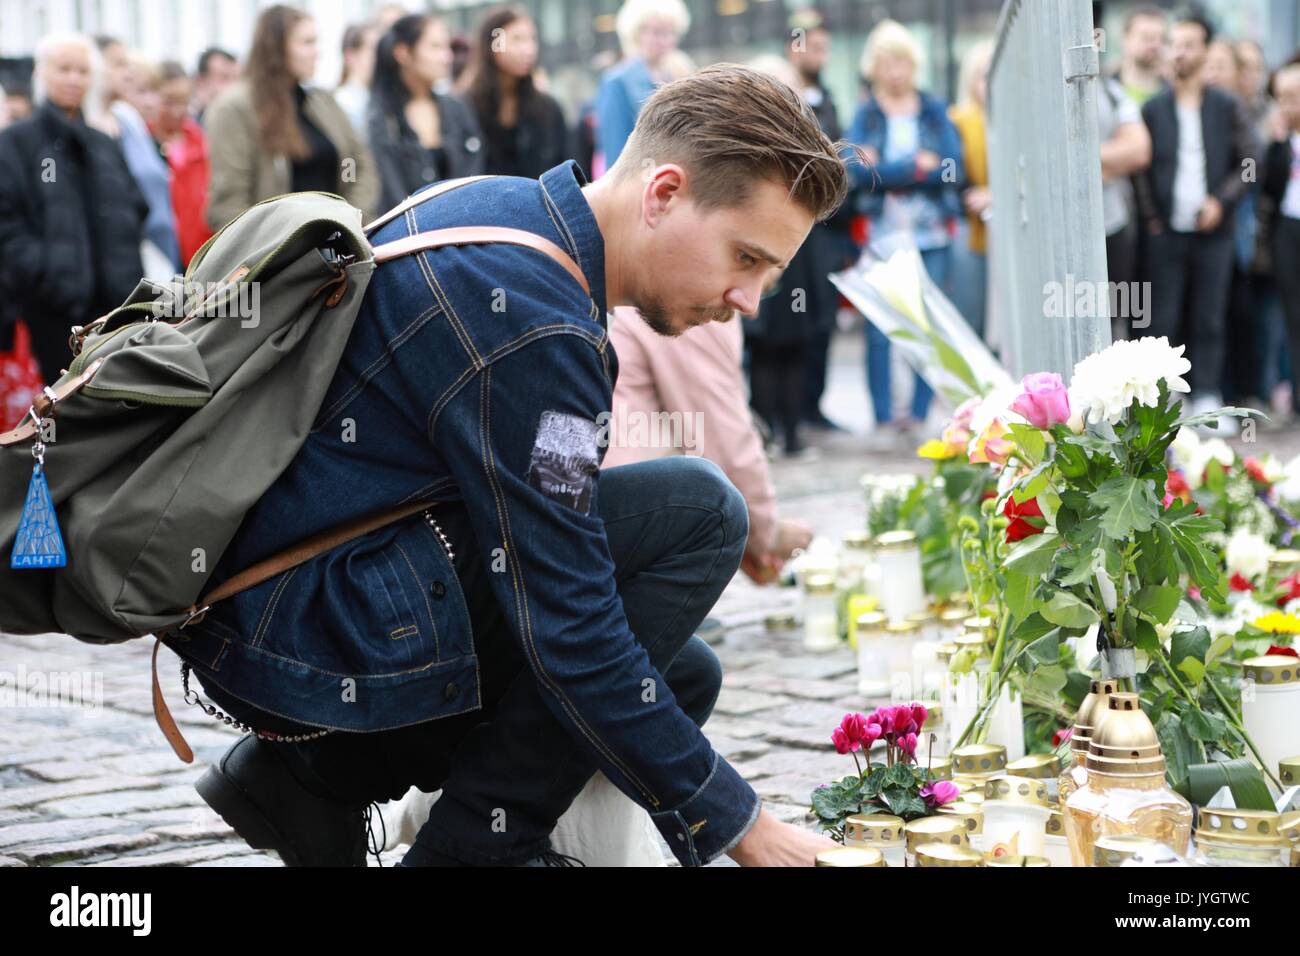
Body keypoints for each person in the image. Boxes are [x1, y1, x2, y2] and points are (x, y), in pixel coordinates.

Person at [178, 63, 848, 869]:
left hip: (295, 599)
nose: (749, 299)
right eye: (745, 258)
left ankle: (314, 776)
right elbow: (570, 622)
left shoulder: (508, 214)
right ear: (664, 193)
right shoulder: (536, 324)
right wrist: (741, 824)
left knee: (682, 672)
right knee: (702, 513)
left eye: (770, 275)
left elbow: (552, 545)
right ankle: (472, 853)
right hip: (310, 627)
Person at [604, 305, 814, 582]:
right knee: (707, 491)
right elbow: (723, 443)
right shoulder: (697, 306)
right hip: (612, 518)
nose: (750, 303)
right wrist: (765, 535)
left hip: (600, 502)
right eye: (749, 261)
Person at [0, 33, 145, 384]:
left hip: (114, 307)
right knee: (65, 407)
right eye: (64, 69)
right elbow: (8, 222)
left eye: (82, 71)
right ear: (42, 74)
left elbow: (135, 205)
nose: (73, 79)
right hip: (54, 310)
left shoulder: (102, 142)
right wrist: (47, 273)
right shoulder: (18, 142)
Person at [846, 19, 963, 441]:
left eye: (903, 62)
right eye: (887, 63)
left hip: (931, 235)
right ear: (874, 67)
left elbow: (952, 169)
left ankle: (917, 415)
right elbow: (856, 173)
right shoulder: (867, 114)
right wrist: (916, 166)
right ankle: (882, 417)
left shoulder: (933, 109)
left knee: (927, 326)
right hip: (881, 235)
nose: (896, 72)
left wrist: (887, 169)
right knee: (880, 328)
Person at [1138, 13, 1255, 422]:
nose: (1180, 52)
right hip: (1166, 231)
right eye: (1176, 44)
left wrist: (1221, 202)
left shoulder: (1226, 105)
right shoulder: (1153, 107)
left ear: (1206, 51)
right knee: (1163, 317)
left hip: (1215, 231)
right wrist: (1152, 219)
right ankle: (1166, 400)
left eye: (1190, 44)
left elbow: (1248, 163)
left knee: (1210, 315)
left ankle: (1207, 395)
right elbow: (1141, 170)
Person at [205, 4, 378, 229]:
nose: (317, 52)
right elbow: (230, 203)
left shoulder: (321, 102)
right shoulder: (234, 109)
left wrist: (352, 209)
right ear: (276, 49)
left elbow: (352, 160)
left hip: (341, 243)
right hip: (281, 253)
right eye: (307, 43)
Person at [783, 8, 853, 433]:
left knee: (822, 316)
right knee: (792, 316)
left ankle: (814, 404)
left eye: (827, 48)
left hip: (827, 227)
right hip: (794, 225)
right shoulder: (784, 95)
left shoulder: (828, 100)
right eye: (816, 46)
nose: (822, 55)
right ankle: (788, 408)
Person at [367, 13, 485, 212]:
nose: (447, 57)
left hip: (465, 227)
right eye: (435, 47)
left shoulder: (457, 108)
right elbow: (392, 195)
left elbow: (475, 174)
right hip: (409, 235)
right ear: (403, 53)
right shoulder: (382, 119)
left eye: (447, 47)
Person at [95, 40, 181, 276]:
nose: (152, 101)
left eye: (155, 91)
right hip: (140, 256)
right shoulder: (116, 125)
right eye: (141, 91)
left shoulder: (142, 129)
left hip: (160, 251)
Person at [457, 5, 571, 180]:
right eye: (517, 39)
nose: (529, 49)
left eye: (532, 39)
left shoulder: (547, 108)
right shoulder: (463, 107)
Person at [594, 0, 690, 171]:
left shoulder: (679, 76)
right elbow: (615, 155)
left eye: (670, 32)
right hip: (639, 183)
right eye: (655, 32)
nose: (663, 40)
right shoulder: (617, 81)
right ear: (635, 33)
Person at [1097, 62, 1153, 341]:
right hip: (1057, 231)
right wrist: (1110, 159)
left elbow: (1139, 150)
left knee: (1115, 316)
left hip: (1114, 222)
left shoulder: (1111, 91)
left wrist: (1083, 158)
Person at [949, 40, 993, 340]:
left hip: (1010, 233)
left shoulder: (1018, 120)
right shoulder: (957, 120)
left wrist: (996, 194)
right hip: (972, 228)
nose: (988, 84)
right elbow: (953, 176)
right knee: (970, 317)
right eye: (982, 75)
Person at [152, 61, 212, 268]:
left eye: (184, 102)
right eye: (168, 102)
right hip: (161, 255)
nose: (178, 111)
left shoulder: (200, 140)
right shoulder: (144, 141)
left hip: (200, 256)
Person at [1265, 63, 1300, 416]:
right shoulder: (1281, 141)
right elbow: (1269, 185)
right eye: (1283, 99)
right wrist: (1276, 142)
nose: (1288, 106)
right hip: (1288, 228)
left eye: (1294, 98)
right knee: (1293, 314)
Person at [1117, 5, 1168, 106]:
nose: (1156, 45)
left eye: (1162, 39)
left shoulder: (1174, 92)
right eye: (1147, 37)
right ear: (1125, 39)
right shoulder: (1106, 90)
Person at [335, 21, 380, 138]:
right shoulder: (342, 102)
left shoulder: (383, 98)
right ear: (350, 55)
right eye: (373, 49)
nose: (380, 56)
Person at [193, 48, 239, 125]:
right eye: (225, 77)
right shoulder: (189, 127)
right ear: (201, 82)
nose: (234, 86)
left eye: (236, 79)